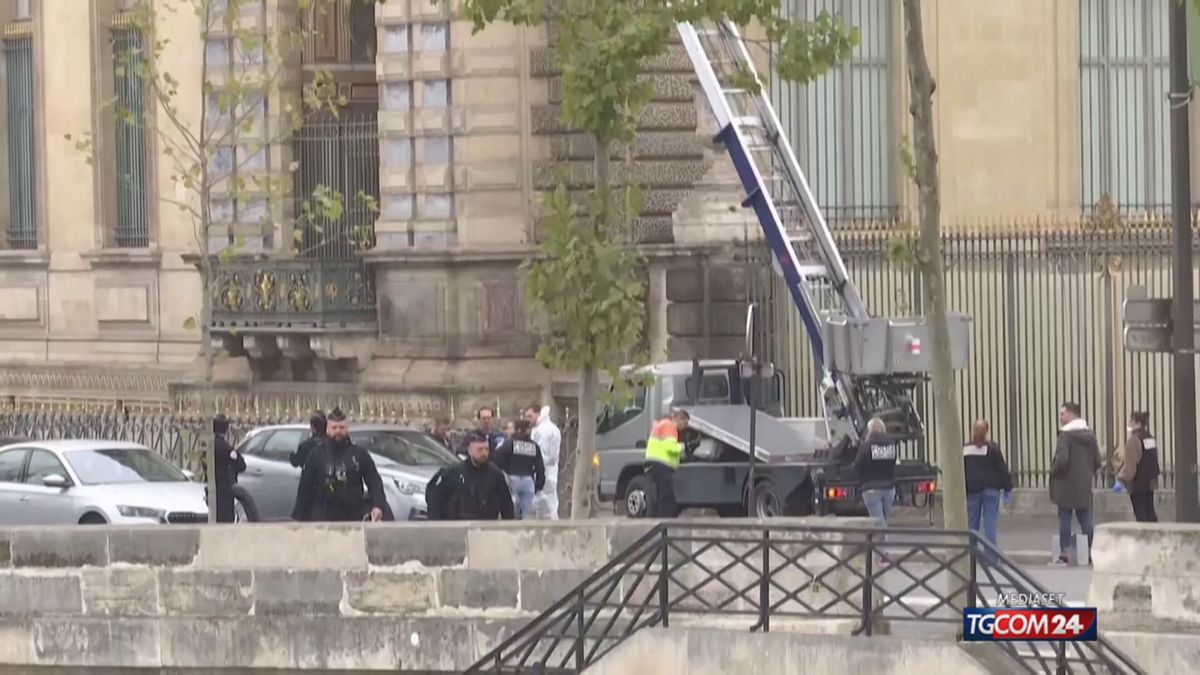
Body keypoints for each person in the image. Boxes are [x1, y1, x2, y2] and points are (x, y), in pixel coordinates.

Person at [292, 407, 388, 522]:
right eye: (334, 428)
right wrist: (299, 517)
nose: (338, 431)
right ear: (327, 429)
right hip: (322, 516)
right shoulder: (316, 454)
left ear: (347, 428)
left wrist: (378, 506)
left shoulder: (359, 454)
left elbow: (374, 482)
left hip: (352, 516)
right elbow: (305, 487)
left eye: (341, 427)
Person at [1050, 402, 1103, 566]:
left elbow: (1062, 460)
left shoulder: (1065, 436)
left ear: (1072, 414)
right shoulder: (1089, 435)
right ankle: (1092, 552)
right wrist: (1087, 473)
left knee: (1065, 519)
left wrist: (1054, 471)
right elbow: (1096, 460)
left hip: (1065, 484)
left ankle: (1064, 553)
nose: (1060, 417)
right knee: (1086, 520)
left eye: (1062, 414)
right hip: (1083, 484)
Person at [426, 431, 515, 521]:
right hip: (458, 526)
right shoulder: (454, 472)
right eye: (479, 449)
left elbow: (506, 504)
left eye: (486, 449)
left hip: (486, 526)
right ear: (469, 450)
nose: (484, 453)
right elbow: (436, 498)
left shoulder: (495, 474)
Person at [962, 420, 1014, 548]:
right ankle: (991, 557)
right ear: (987, 432)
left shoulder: (966, 449)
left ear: (972, 431)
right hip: (991, 490)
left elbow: (961, 470)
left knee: (972, 526)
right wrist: (1008, 488)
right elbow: (1002, 469)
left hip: (972, 491)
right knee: (990, 525)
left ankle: (971, 556)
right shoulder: (993, 448)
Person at [854, 418, 898, 560]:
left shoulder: (865, 447)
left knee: (879, 523)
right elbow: (893, 463)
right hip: (889, 488)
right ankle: (880, 553)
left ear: (870, 430)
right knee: (883, 521)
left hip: (871, 488)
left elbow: (858, 465)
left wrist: (862, 480)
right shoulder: (891, 445)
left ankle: (883, 554)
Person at [492, 418, 546, 519]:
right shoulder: (534, 446)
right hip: (528, 481)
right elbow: (540, 467)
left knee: (510, 510)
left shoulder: (509, 443)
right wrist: (539, 485)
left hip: (512, 480)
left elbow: (496, 459)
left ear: (517, 429)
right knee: (528, 514)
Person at [1115, 411, 1160, 523]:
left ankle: (1145, 537)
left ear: (1138, 423)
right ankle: (1155, 536)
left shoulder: (1134, 440)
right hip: (1150, 480)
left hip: (1138, 482)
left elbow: (1130, 464)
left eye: (1131, 421)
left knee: (1140, 512)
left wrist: (1122, 480)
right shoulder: (1149, 437)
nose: (1129, 424)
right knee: (1150, 510)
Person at [644, 409, 690, 518]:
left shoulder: (662, 424)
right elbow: (671, 449)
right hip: (661, 464)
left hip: (654, 463)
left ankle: (660, 519)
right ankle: (667, 521)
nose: (685, 426)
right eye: (685, 423)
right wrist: (684, 446)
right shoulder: (670, 427)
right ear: (679, 419)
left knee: (661, 495)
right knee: (667, 495)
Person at [209, 414, 246, 523]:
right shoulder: (226, 448)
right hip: (224, 488)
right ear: (227, 429)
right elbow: (241, 465)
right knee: (225, 518)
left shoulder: (209, 445)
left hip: (212, 486)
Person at [528, 404, 562, 520]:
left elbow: (541, 453)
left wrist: (534, 468)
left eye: (530, 416)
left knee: (545, 507)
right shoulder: (552, 428)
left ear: (538, 413)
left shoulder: (542, 430)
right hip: (551, 471)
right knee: (549, 505)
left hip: (544, 472)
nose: (528, 419)